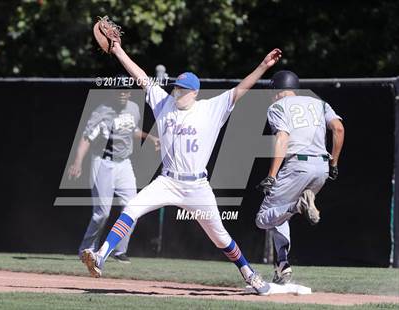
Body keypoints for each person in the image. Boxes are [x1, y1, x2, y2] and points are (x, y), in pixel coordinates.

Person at [81, 39, 282, 295]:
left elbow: (240, 89)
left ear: (195, 92)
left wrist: (264, 65)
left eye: (184, 89)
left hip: (196, 186)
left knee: (220, 236)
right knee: (131, 207)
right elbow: (140, 75)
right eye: (177, 87)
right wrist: (118, 50)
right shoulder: (164, 103)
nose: (178, 92)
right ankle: (100, 256)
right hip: (167, 182)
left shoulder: (211, 109)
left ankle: (248, 273)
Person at [256, 70, 345, 284]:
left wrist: (271, 176)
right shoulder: (319, 102)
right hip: (321, 167)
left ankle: (298, 206)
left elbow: (283, 137)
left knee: (263, 218)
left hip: (297, 165)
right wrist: (333, 163)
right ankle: (283, 267)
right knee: (279, 214)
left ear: (277, 90)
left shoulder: (277, 106)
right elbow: (339, 129)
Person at [68, 79, 160, 263]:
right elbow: (87, 138)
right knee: (102, 212)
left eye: (126, 91)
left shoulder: (133, 108)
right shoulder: (102, 111)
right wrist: (77, 162)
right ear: (113, 92)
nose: (123, 94)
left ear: (130, 93)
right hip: (103, 162)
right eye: (119, 91)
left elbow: (130, 129)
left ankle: (119, 251)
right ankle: (86, 250)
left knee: (133, 208)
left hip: (124, 163)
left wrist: (149, 137)